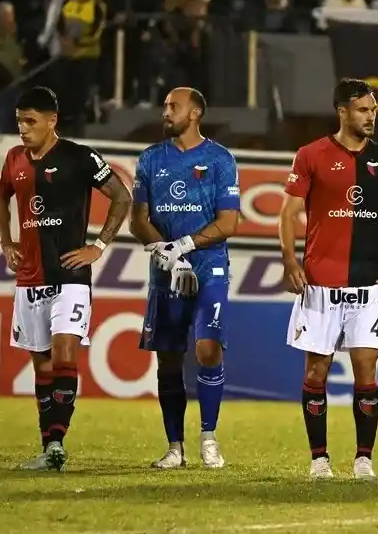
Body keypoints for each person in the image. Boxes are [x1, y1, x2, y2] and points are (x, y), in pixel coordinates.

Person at [0, 87, 132, 471]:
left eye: (30, 121)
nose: (23, 128)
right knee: (40, 366)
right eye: (19, 121)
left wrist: (99, 246)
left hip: (70, 276)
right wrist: (6, 242)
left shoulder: (79, 156)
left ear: (52, 121)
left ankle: (57, 442)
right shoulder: (14, 159)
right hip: (29, 279)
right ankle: (49, 446)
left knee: (64, 354)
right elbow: (0, 198)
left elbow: (122, 196)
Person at [280, 78, 378, 481]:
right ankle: (320, 459)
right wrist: (289, 261)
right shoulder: (311, 155)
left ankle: (363, 458)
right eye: (364, 110)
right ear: (343, 111)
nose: (371, 117)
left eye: (373, 111)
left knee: (366, 372)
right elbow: (288, 213)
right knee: (316, 372)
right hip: (320, 284)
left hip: (367, 286)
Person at [129, 87, 240, 469]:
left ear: (194, 113)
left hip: (210, 267)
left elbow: (229, 222)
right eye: (164, 106)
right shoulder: (149, 159)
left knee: (208, 349)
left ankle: (209, 437)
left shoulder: (220, 159)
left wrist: (185, 246)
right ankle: (175, 448)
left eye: (173, 106)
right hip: (166, 271)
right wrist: (165, 251)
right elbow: (137, 219)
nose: (166, 112)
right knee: (169, 360)